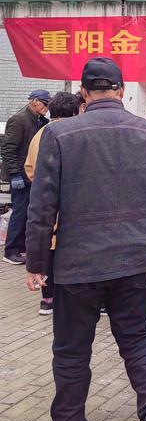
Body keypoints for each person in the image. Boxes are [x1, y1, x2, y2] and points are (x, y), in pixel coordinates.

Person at [25, 57, 146, 421]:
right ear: (121, 90)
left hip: (78, 262)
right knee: (138, 337)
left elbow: (42, 205)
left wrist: (37, 262)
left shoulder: (59, 134)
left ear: (83, 92)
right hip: (136, 258)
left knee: (72, 347)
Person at [24, 92, 82, 315]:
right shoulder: (72, 134)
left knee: (47, 247)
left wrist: (39, 184)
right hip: (69, 203)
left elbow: (29, 167)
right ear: (75, 111)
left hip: (43, 200)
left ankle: (47, 298)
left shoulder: (40, 134)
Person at [1, 89, 50, 264]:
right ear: (35, 101)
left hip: (31, 174)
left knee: (29, 212)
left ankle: (21, 247)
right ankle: (11, 250)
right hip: (20, 175)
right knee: (20, 212)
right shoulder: (19, 120)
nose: (47, 108)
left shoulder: (40, 121)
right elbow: (8, 149)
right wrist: (15, 174)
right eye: (45, 104)